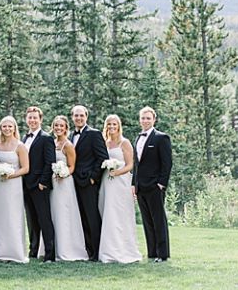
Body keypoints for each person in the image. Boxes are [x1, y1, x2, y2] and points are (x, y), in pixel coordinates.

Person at [98, 114, 141, 264]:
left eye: (114, 124)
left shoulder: (125, 143)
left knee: (118, 214)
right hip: (106, 181)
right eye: (109, 124)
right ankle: (108, 250)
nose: (111, 127)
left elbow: (130, 165)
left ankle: (123, 250)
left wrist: (117, 172)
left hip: (120, 181)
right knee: (106, 212)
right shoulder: (105, 142)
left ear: (119, 126)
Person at [133, 106, 172, 263]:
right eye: (143, 118)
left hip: (155, 186)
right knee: (147, 221)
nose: (145, 121)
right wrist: (133, 184)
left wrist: (161, 184)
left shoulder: (161, 138)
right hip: (140, 187)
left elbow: (167, 163)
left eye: (148, 118)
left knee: (158, 221)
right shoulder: (137, 138)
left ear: (154, 120)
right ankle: (152, 253)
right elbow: (137, 164)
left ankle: (162, 254)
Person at [46, 115, 87, 261]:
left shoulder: (68, 145)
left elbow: (72, 166)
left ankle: (66, 249)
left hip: (64, 184)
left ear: (66, 128)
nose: (58, 128)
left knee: (63, 213)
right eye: (56, 125)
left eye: (61, 126)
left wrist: (64, 174)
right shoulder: (51, 142)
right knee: (53, 213)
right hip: (53, 183)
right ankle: (52, 247)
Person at [70, 104, 108, 261]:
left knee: (92, 217)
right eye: (76, 115)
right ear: (72, 117)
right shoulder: (70, 135)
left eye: (81, 115)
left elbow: (102, 158)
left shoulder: (94, 134)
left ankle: (97, 251)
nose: (78, 118)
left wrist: (93, 177)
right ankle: (87, 249)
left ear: (86, 117)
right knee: (80, 218)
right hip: (73, 182)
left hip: (88, 182)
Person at [0, 116, 28, 263]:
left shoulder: (20, 146)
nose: (7, 129)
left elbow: (26, 168)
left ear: (14, 128)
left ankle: (14, 252)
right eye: (4, 126)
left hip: (13, 186)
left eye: (9, 126)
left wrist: (10, 175)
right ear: (0, 128)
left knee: (12, 216)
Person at [22, 106, 56, 263]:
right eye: (30, 118)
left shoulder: (46, 138)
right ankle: (33, 250)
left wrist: (43, 182)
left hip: (39, 185)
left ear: (40, 120)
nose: (32, 120)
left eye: (35, 118)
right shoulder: (24, 138)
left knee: (44, 219)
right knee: (31, 220)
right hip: (25, 185)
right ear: (26, 119)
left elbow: (50, 162)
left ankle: (50, 254)